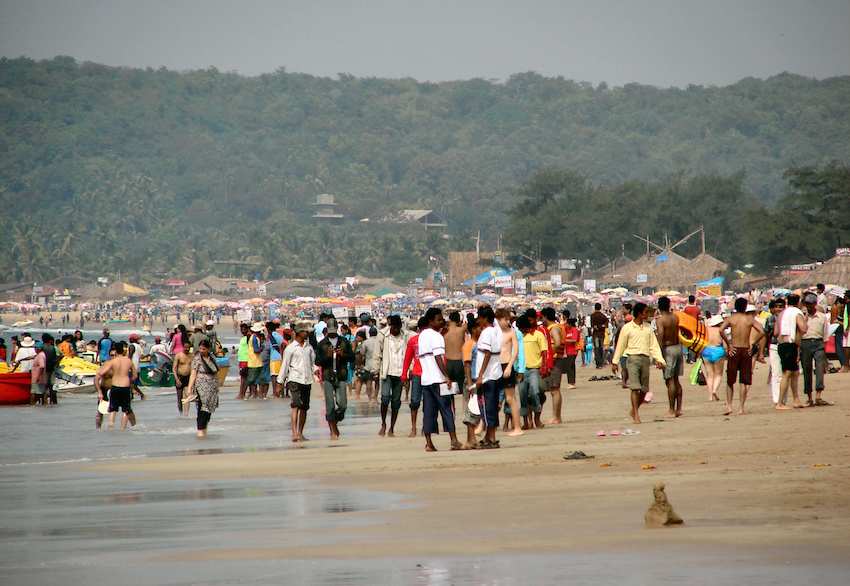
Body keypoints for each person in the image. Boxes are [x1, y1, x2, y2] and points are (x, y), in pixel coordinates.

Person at [612, 303, 666, 425]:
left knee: (644, 390)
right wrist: (615, 362)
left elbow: (654, 346)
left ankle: (634, 409)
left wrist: (660, 360)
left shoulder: (648, 328)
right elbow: (620, 345)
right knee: (635, 388)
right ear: (639, 313)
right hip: (632, 359)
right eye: (645, 312)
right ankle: (636, 414)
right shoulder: (627, 328)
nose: (647, 315)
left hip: (645, 359)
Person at [418, 307, 462, 452]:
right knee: (447, 410)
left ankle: (429, 443)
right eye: (439, 319)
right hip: (438, 380)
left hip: (426, 380)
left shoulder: (422, 335)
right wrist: (446, 376)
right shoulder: (436, 336)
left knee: (429, 412)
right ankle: (454, 440)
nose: (442, 321)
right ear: (431, 321)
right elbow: (438, 357)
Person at [718, 298, 765, 415]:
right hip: (745, 350)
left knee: (730, 380)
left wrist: (729, 344)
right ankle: (741, 408)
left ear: (736, 307)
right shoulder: (749, 319)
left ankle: (729, 406)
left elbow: (720, 330)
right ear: (745, 307)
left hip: (734, 349)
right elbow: (762, 331)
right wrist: (753, 343)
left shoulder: (731, 318)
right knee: (743, 381)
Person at [315, 318, 353, 439]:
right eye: (329, 330)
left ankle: (334, 420)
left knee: (342, 405)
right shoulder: (322, 344)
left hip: (341, 376)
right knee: (330, 405)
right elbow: (317, 361)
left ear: (337, 329)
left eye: (333, 330)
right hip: (327, 376)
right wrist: (327, 356)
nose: (332, 332)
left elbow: (352, 357)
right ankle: (332, 429)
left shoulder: (344, 341)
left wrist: (343, 355)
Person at [277, 323, 316, 442]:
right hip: (294, 379)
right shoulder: (290, 348)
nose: (308, 333)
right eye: (306, 332)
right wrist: (280, 382)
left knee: (304, 407)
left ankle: (300, 432)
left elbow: (312, 363)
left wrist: (316, 373)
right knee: (295, 406)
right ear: (299, 333)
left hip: (307, 380)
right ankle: (294, 433)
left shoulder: (309, 347)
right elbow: (284, 365)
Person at [473, 306, 503, 448]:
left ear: (484, 318)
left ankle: (491, 438)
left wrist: (480, 375)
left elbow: (487, 353)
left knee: (486, 407)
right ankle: (490, 436)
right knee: (492, 407)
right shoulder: (497, 331)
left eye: (479, 317)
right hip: (496, 374)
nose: (478, 320)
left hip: (488, 376)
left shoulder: (486, 333)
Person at [95, 341, 137, 430]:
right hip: (125, 387)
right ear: (123, 350)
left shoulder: (112, 362)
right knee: (126, 410)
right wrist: (128, 381)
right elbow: (135, 376)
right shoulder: (128, 361)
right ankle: (123, 430)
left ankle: (111, 427)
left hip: (115, 387)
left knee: (113, 410)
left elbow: (99, 374)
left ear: (116, 352)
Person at [776, 293, 807, 410]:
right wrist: (805, 322)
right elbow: (803, 328)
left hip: (782, 344)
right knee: (787, 373)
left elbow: (776, 331)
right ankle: (780, 403)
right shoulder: (796, 312)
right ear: (798, 302)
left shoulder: (782, 313)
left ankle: (796, 399)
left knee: (795, 373)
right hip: (790, 344)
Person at [378, 315, 407, 437]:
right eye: (394, 328)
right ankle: (383, 423)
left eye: (398, 328)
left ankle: (392, 428)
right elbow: (377, 353)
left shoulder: (405, 336)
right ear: (391, 327)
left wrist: (407, 373)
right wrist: (376, 370)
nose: (396, 331)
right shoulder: (383, 336)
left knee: (396, 402)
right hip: (387, 372)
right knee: (385, 399)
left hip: (400, 373)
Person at [801, 292, 831, 407]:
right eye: (807, 304)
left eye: (810, 304)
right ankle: (809, 397)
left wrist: (824, 348)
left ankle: (818, 395)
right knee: (807, 369)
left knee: (819, 369)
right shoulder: (802, 316)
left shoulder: (822, 317)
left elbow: (825, 334)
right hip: (805, 343)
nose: (808, 306)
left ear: (815, 304)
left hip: (818, 343)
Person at [654, 297, 683, 417]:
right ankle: (679, 408)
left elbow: (660, 335)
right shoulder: (675, 317)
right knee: (676, 379)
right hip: (677, 347)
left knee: (669, 379)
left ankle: (671, 409)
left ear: (659, 307)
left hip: (668, 349)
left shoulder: (661, 320)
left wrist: (658, 355)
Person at [185, 339, 220, 438]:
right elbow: (193, 374)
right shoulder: (197, 359)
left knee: (209, 408)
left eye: (203, 349)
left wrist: (217, 386)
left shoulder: (212, 358)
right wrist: (189, 388)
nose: (201, 350)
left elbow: (216, 372)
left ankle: (204, 429)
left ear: (208, 349)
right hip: (201, 385)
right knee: (202, 408)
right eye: (200, 348)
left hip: (212, 386)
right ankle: (200, 430)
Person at [517, 315, 547, 430]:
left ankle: (537, 418)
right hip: (521, 370)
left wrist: (544, 366)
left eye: (521, 328)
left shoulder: (538, 335)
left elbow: (544, 352)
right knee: (523, 396)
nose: (520, 330)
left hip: (534, 369)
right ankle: (526, 422)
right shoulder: (518, 337)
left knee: (535, 393)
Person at [496, 308, 522, 436]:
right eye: (505, 319)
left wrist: (509, 366)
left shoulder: (511, 332)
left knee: (510, 398)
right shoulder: (494, 333)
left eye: (508, 319)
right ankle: (483, 425)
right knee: (492, 397)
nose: (507, 322)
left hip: (507, 365)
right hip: (496, 366)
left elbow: (515, 352)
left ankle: (517, 427)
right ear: (498, 319)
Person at [401, 317, 426, 437]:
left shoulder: (432, 339)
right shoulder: (413, 340)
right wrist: (404, 374)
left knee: (427, 402)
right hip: (417, 373)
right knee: (415, 402)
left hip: (428, 375)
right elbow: (408, 358)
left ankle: (425, 427)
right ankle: (414, 427)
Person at [540, 307, 564, 424]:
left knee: (555, 389)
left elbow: (558, 342)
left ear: (545, 316)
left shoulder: (554, 328)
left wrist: (549, 354)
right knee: (554, 389)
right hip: (555, 360)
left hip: (555, 361)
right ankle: (556, 416)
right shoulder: (554, 327)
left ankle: (556, 417)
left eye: (542, 317)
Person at [764, 298, 786, 405]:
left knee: (785, 373)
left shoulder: (788, 318)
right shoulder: (770, 319)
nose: (778, 308)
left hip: (786, 346)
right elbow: (765, 335)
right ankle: (777, 399)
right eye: (777, 306)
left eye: (780, 306)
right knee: (776, 373)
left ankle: (783, 398)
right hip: (774, 346)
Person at [443, 311, 466, 410]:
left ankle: (452, 411)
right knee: (463, 391)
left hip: (448, 362)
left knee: (449, 392)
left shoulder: (444, 332)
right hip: (459, 362)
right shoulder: (461, 330)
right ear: (458, 320)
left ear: (450, 319)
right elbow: (469, 320)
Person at [361, 327, 381, 402]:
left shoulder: (366, 342)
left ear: (369, 334)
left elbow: (362, 353)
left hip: (368, 365)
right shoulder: (380, 341)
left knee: (368, 382)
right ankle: (375, 398)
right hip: (377, 365)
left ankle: (370, 399)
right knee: (377, 382)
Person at [245, 322, 264, 399]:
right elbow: (256, 350)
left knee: (254, 379)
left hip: (255, 361)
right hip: (254, 361)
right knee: (252, 379)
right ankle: (248, 393)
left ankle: (254, 394)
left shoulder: (253, 337)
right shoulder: (254, 338)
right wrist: (262, 348)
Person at [172, 344, 193, 416]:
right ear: (183, 347)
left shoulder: (191, 356)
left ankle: (186, 414)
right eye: (185, 347)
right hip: (180, 377)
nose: (187, 349)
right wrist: (177, 379)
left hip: (188, 378)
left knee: (188, 395)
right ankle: (180, 413)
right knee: (179, 397)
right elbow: (174, 368)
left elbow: (194, 368)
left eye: (188, 348)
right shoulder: (178, 355)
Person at [267, 321, 285, 398]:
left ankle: (275, 392)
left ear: (269, 329)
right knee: (280, 376)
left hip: (274, 358)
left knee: (274, 376)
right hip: (280, 357)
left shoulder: (272, 336)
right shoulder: (279, 336)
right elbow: (284, 344)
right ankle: (281, 392)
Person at [562, 314, 580, 389]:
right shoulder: (566, 330)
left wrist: (565, 340)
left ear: (570, 324)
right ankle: (572, 382)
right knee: (571, 366)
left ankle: (571, 383)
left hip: (573, 351)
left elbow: (574, 340)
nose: (565, 325)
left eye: (566, 323)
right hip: (567, 351)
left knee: (569, 367)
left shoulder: (574, 330)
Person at [590, 303, 609, 368]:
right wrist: (601, 326)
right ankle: (601, 363)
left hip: (595, 335)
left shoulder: (592, 315)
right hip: (602, 335)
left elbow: (592, 325)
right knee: (601, 348)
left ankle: (598, 364)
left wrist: (597, 327)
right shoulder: (603, 316)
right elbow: (606, 325)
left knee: (596, 348)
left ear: (595, 308)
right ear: (600, 308)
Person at [29, 341, 48, 406]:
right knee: (43, 392)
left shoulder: (40, 356)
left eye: (35, 348)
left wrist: (38, 377)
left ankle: (32, 406)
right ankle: (45, 405)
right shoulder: (40, 354)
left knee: (33, 393)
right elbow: (32, 357)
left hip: (37, 378)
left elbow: (42, 366)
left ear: (38, 348)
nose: (34, 349)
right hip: (40, 378)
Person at [236, 322, 250, 399]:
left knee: (244, 378)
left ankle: (242, 394)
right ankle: (242, 393)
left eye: (244, 329)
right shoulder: (243, 338)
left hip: (246, 360)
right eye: (241, 329)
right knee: (243, 377)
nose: (242, 330)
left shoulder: (248, 337)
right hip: (242, 360)